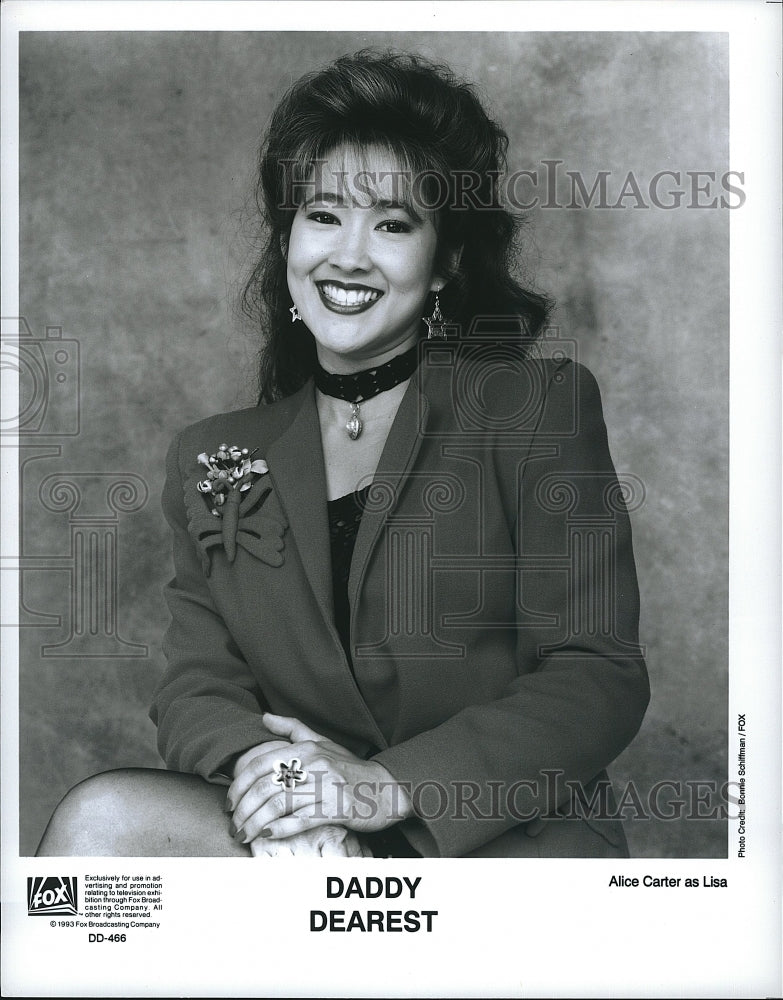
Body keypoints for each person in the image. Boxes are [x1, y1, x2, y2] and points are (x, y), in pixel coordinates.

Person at [37, 50, 649, 858]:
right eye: (323, 215)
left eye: (392, 224)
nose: (348, 255)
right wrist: (283, 784)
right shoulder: (213, 454)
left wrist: (380, 788)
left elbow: (596, 676)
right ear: (288, 237)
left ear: (446, 263)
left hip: (498, 843)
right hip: (301, 841)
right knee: (102, 824)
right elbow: (198, 685)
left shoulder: (536, 410)